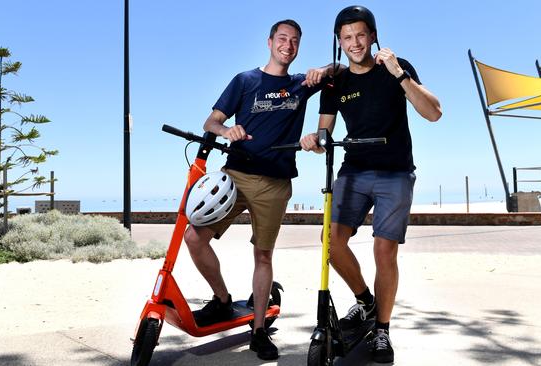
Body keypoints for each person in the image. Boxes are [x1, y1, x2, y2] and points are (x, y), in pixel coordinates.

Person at [182, 19, 332, 361]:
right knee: (194, 237)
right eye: (282, 39)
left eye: (295, 41)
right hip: (235, 176)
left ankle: (259, 330)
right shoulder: (245, 80)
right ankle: (222, 300)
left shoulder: (301, 84)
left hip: (276, 183)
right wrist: (227, 130)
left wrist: (321, 70)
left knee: (263, 256)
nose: (288, 45)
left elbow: (337, 69)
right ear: (269, 42)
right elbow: (211, 122)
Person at [300, 5, 441, 364]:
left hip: (395, 171)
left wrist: (399, 75)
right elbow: (324, 130)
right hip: (354, 169)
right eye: (347, 37)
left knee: (384, 250)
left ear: (373, 35)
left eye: (361, 35)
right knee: (330, 242)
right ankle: (365, 301)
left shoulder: (396, 67)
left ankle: (382, 329)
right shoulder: (337, 82)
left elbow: (433, 112)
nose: (355, 42)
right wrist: (314, 140)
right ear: (339, 42)